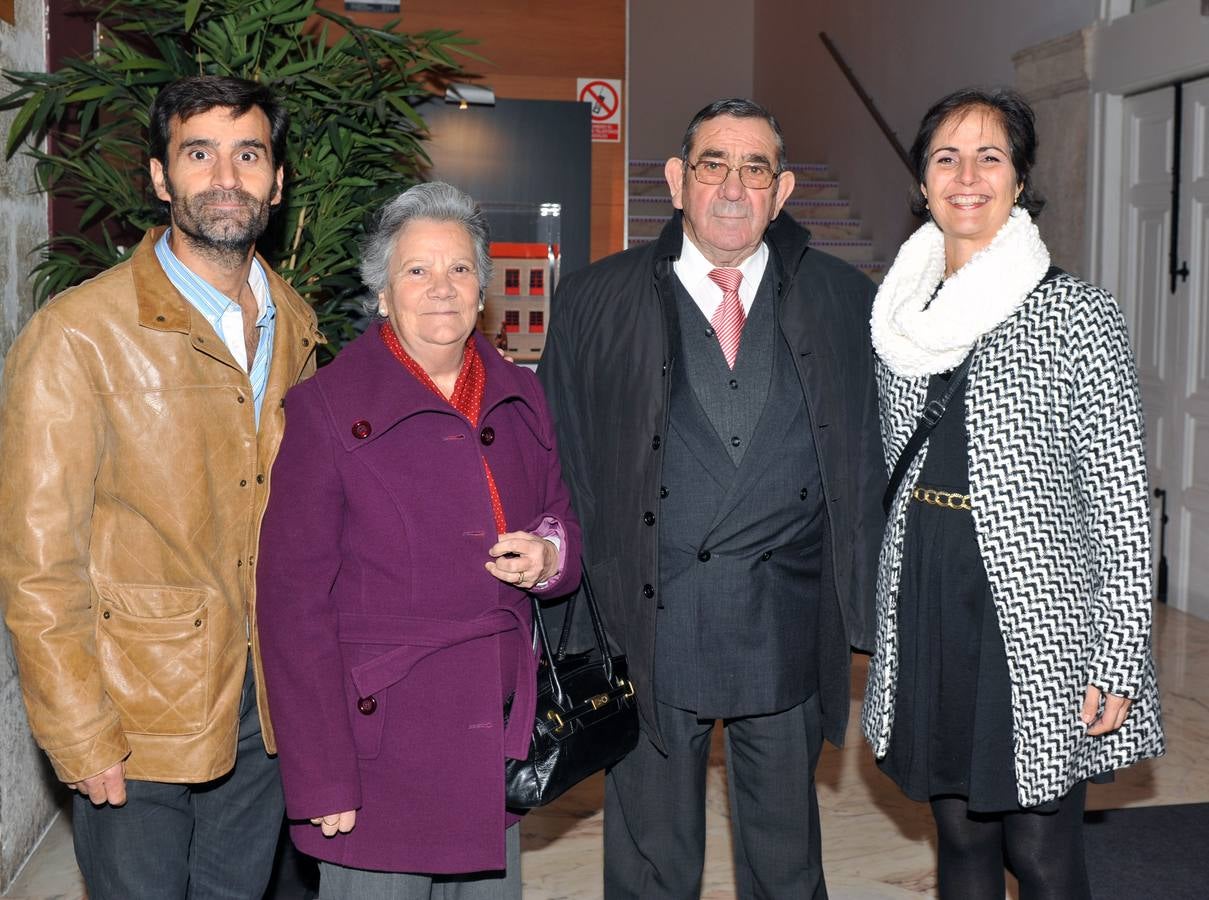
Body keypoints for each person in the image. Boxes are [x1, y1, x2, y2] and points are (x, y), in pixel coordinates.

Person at [538, 98, 884, 899]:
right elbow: (559, 461)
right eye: (713, 165)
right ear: (675, 180)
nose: (732, 187)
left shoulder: (845, 300)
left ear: (782, 190)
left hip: (785, 621)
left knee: (786, 860)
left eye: (754, 168)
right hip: (649, 621)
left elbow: (870, 456)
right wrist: (569, 621)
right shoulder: (595, 298)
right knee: (651, 863)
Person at [0, 76, 324, 899]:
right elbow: (39, 562)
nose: (225, 177)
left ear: (277, 181)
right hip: (134, 709)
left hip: (264, 703)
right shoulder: (79, 334)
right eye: (198, 154)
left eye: (248, 154)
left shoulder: (296, 324)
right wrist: (78, 727)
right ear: (159, 176)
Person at [863, 87, 1166, 899]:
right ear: (921, 182)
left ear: (1020, 179)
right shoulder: (898, 314)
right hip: (930, 591)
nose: (966, 176)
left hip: (1031, 610)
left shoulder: (1076, 312)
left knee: (1038, 847)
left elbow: (1118, 501)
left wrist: (1117, 652)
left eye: (988, 157)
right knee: (959, 834)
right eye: (946, 158)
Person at [255, 181, 582, 899]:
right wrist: (322, 776)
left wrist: (549, 557)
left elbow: (560, 517)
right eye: (417, 270)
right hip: (376, 757)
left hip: (491, 741)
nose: (441, 287)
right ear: (382, 293)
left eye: (459, 268)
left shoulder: (521, 397)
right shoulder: (324, 409)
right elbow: (291, 607)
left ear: (482, 290)